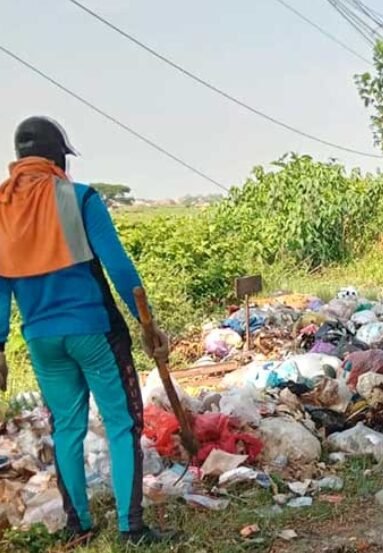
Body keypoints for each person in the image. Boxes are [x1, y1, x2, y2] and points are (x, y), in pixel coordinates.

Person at [0, 117, 172, 545]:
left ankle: (79, 525)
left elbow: (0, 287)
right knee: (120, 423)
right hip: (94, 333)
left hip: (40, 339)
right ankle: (131, 528)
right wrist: (146, 323)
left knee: (66, 428)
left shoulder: (3, 210)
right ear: (57, 156)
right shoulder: (80, 199)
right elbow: (118, 267)